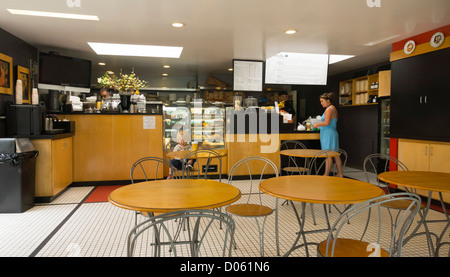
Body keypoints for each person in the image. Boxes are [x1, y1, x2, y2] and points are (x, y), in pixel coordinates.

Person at [312, 92, 343, 177]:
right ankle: (340, 173)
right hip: (331, 133)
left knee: (328, 155)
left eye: (322, 101)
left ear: (328, 101)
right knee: (335, 154)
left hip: (328, 134)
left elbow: (326, 122)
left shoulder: (329, 109)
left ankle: (326, 174)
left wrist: (316, 125)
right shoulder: (333, 108)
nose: (321, 103)